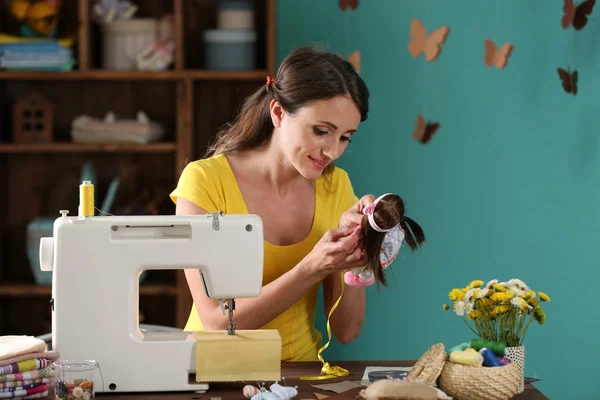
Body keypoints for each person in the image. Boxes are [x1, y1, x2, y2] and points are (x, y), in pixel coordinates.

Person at [169, 46, 373, 362]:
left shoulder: (337, 186)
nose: (333, 151)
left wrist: (359, 257)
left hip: (299, 376)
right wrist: (312, 267)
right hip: (212, 372)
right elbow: (216, 321)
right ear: (278, 113)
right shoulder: (205, 181)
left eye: (346, 137)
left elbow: (346, 331)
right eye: (321, 131)